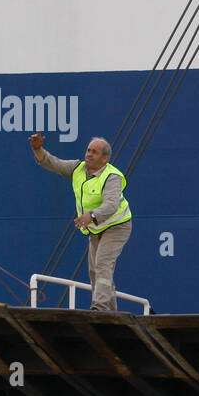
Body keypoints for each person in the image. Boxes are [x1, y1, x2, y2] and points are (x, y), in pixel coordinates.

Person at [29, 133, 132, 312]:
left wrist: (90, 216)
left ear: (105, 158)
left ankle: (99, 308)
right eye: (88, 150)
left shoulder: (112, 176)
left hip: (117, 225)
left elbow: (111, 205)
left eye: (95, 152)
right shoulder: (78, 168)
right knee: (94, 271)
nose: (89, 154)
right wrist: (38, 149)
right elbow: (54, 163)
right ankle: (111, 313)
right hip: (95, 228)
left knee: (102, 264)